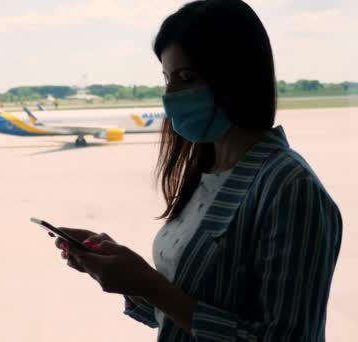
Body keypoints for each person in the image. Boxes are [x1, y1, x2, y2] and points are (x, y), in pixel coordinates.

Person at [53, 1, 342, 341]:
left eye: (186, 78)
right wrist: (127, 278)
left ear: (235, 76)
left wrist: (151, 284)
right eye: (166, 79)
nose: (169, 96)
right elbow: (180, 315)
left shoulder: (290, 189)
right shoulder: (208, 172)